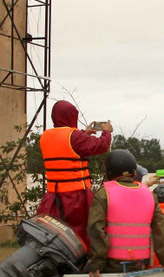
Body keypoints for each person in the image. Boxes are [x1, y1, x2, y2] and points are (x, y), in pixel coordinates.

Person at [86, 149, 164, 277]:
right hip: (140, 263)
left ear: (108, 173)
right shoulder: (149, 195)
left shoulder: (103, 193)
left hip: (112, 265)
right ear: (134, 172)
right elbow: (161, 230)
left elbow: (95, 229)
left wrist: (96, 264)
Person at [36, 100, 112, 249]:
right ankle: (89, 263)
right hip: (76, 198)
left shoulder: (45, 136)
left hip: (52, 198)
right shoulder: (74, 136)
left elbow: (67, 145)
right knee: (85, 232)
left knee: (57, 235)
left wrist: (85, 133)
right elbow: (101, 146)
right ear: (72, 117)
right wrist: (107, 131)